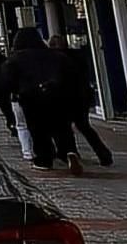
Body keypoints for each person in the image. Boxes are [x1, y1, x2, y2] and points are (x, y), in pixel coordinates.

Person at [0, 28, 83, 174]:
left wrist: (16, 92)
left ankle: (44, 160)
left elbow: (6, 81)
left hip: (31, 98)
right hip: (58, 96)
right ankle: (69, 151)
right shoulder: (56, 56)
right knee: (62, 127)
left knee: (38, 130)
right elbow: (72, 76)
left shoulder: (15, 59)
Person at [48, 35, 112, 166]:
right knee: (84, 127)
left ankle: (70, 153)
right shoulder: (77, 56)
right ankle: (103, 154)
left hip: (61, 98)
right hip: (80, 97)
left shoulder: (53, 60)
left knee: (63, 128)